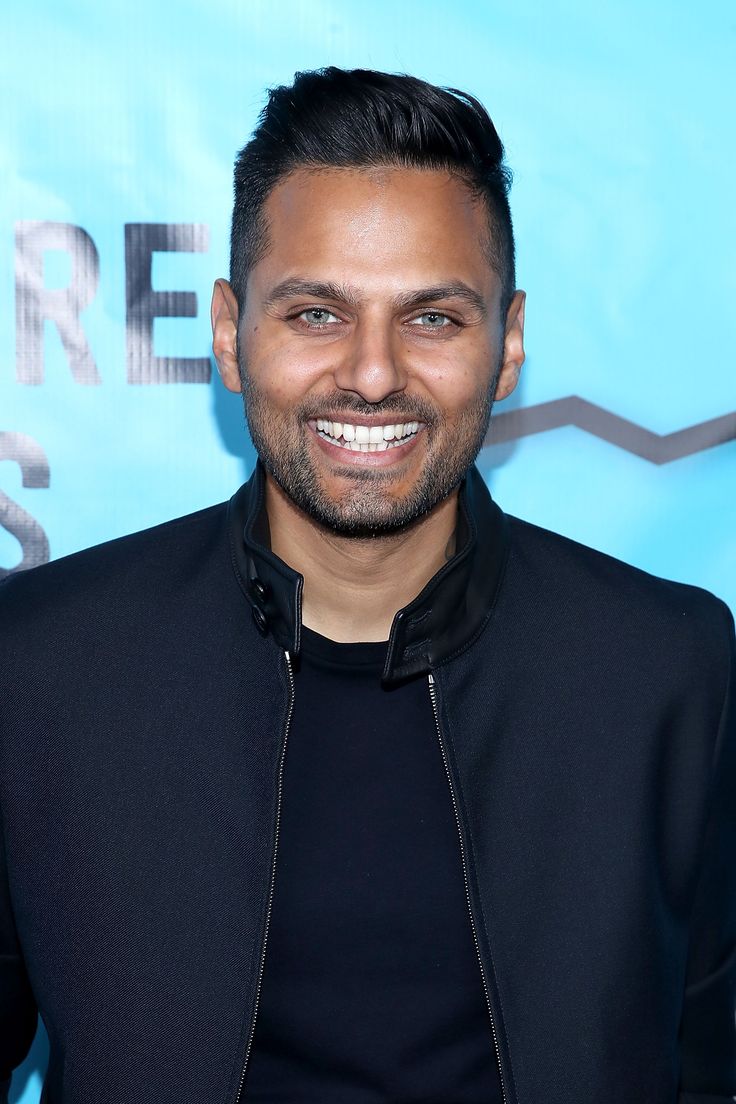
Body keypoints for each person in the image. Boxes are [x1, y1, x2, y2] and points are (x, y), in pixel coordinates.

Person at [1, 66, 734, 1104]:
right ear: (226, 330)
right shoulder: (39, 668)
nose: (375, 374)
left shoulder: (667, 670)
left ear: (509, 341)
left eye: (432, 318)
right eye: (314, 315)